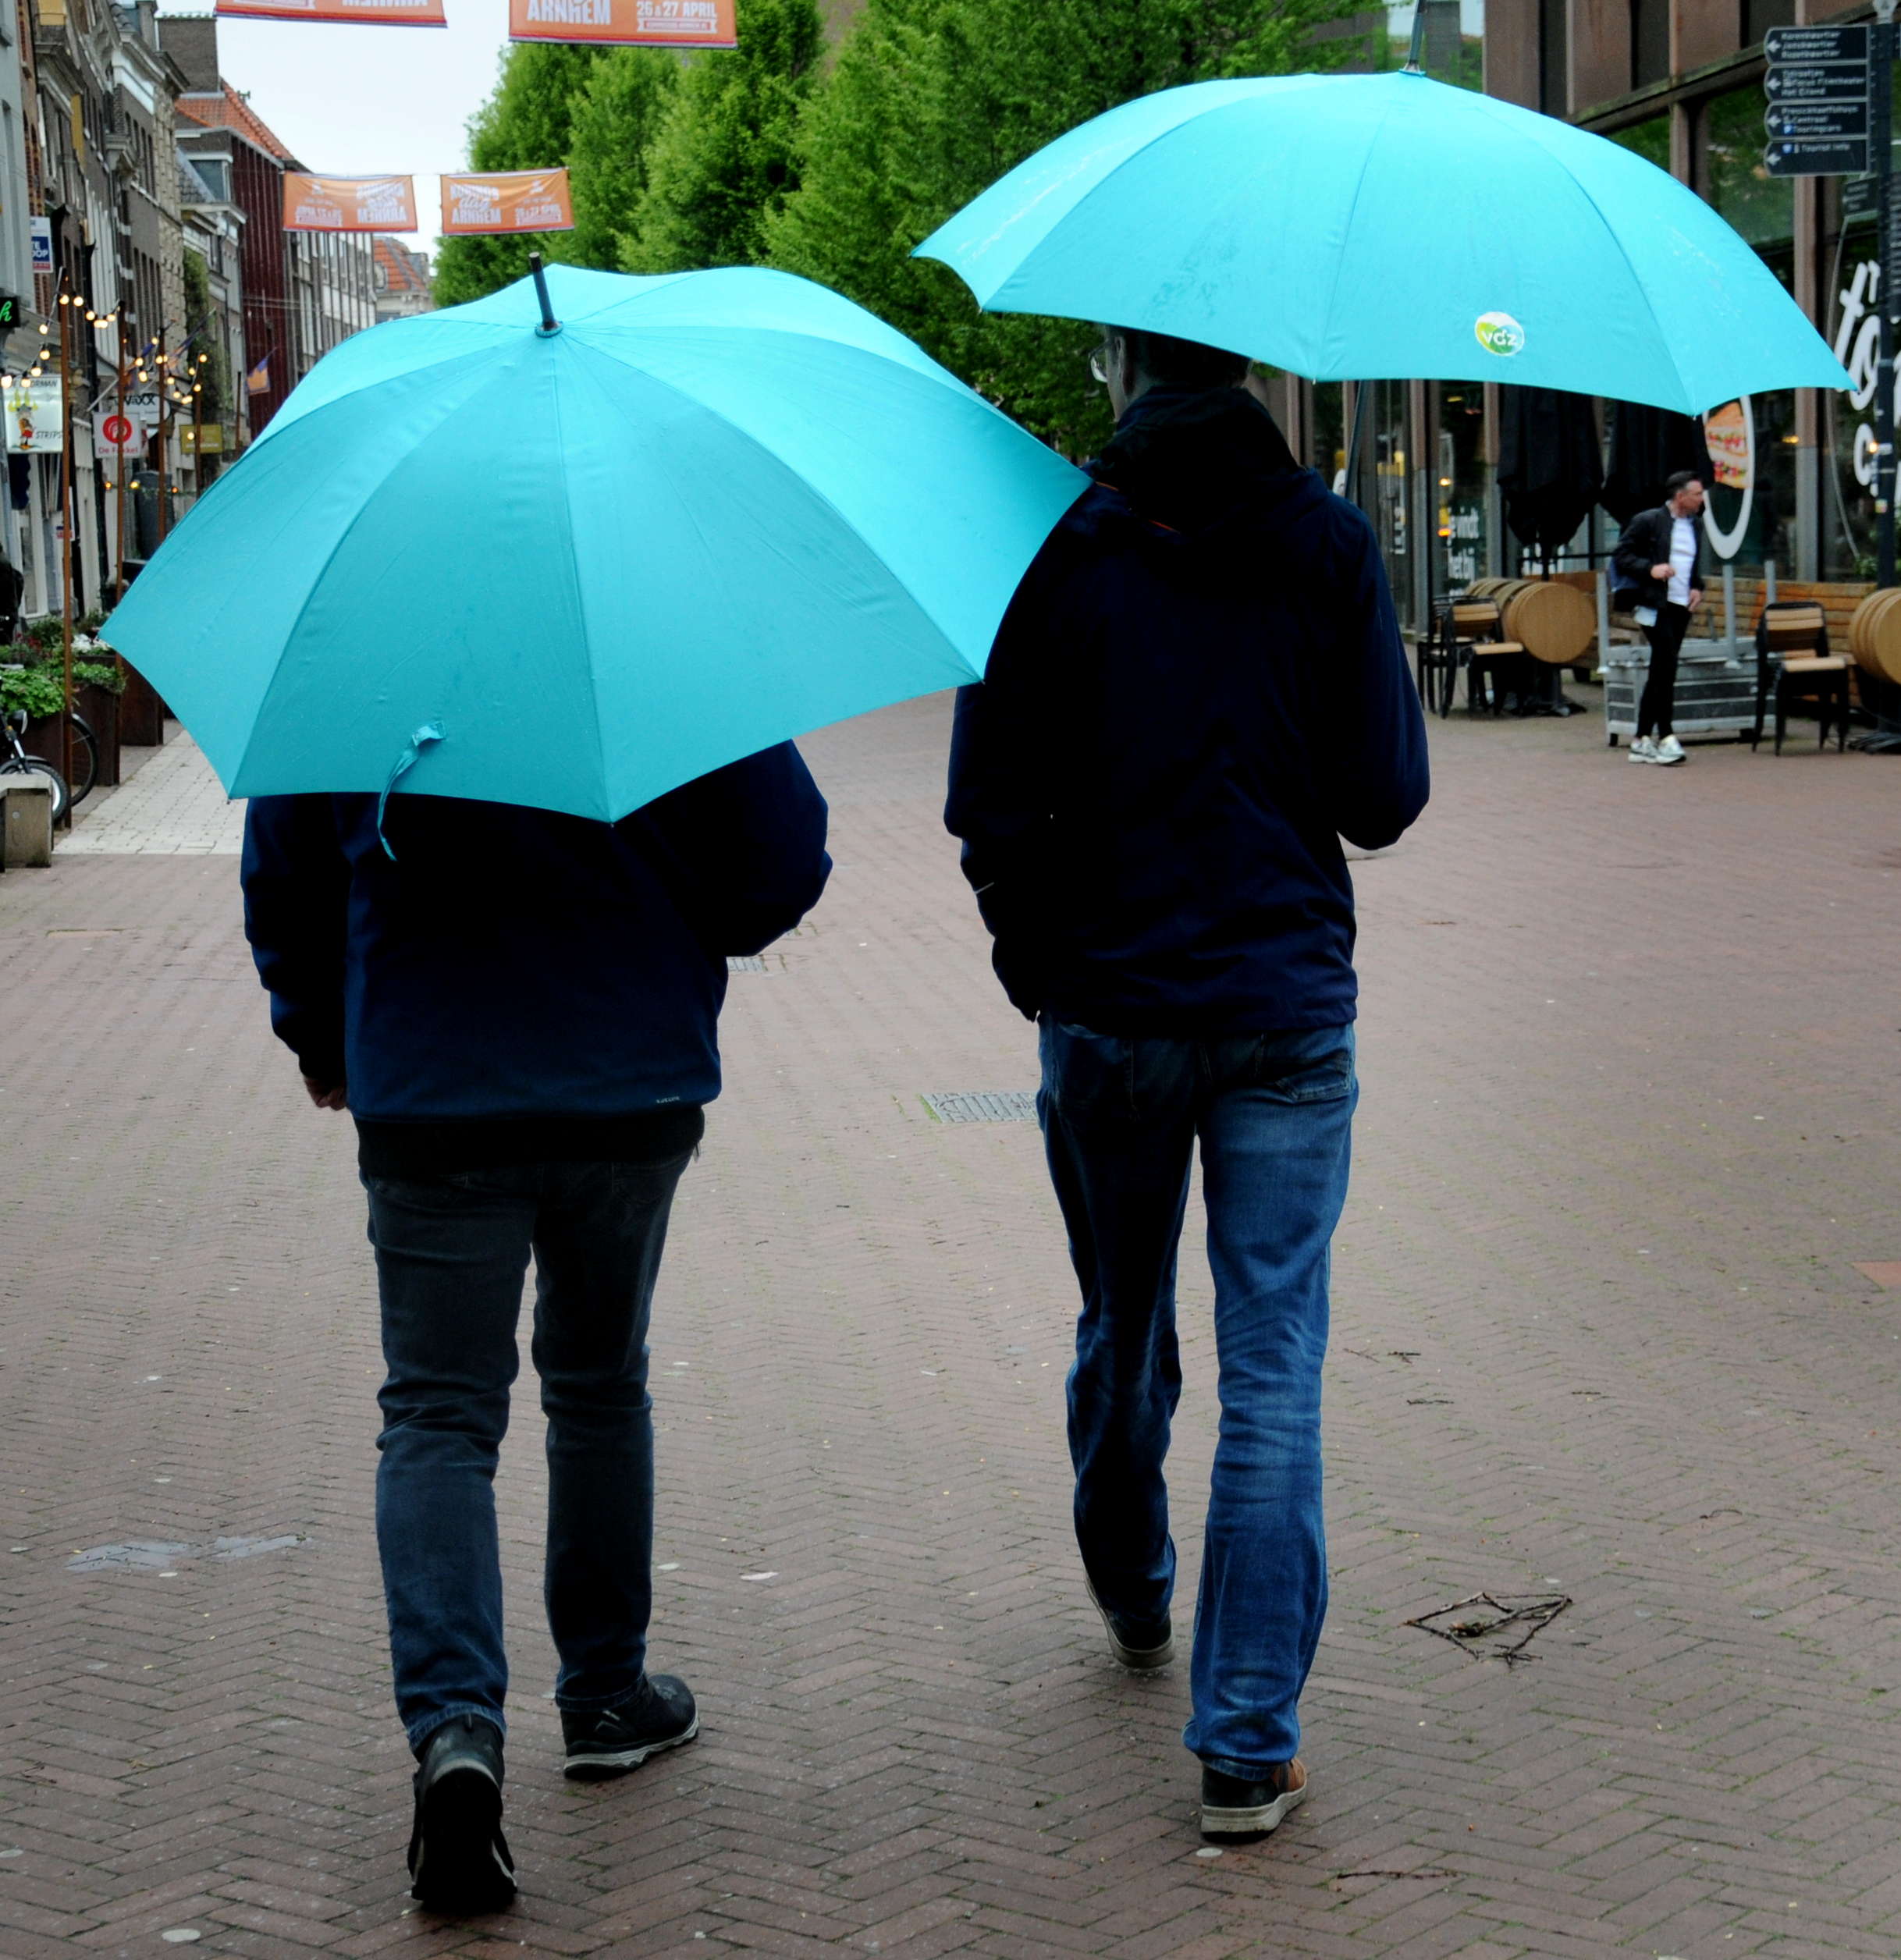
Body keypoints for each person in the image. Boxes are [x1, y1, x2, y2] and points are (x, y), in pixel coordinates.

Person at [945, 328, 1429, 1844]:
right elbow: (1384, 797)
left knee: (1124, 1315)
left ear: (1121, 363)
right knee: (1273, 1364)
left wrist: (1041, 961)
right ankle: (1245, 1740)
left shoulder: (1051, 546)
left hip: (1110, 1009)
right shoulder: (1327, 543)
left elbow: (986, 799)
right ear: (1257, 366)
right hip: (1283, 1006)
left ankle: (1132, 1576)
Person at [242, 753, 830, 1913]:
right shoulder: (660, 646)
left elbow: (286, 878)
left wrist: (322, 1037)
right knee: (600, 1385)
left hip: (431, 1079)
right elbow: (781, 859)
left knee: (438, 1413)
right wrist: (675, 926)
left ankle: (457, 1730)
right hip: (627, 1072)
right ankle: (606, 1692)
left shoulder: (353, 671)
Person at [1611, 470, 1706, 766]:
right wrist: (1650, 569)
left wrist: (1696, 587)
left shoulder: (1696, 525)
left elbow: (1692, 564)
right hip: (1654, 603)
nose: (1701, 499)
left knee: (1663, 668)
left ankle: (1641, 739)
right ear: (1680, 496)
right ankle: (1666, 735)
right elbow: (1621, 556)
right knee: (1665, 665)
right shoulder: (1649, 521)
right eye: (1697, 494)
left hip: (1681, 605)